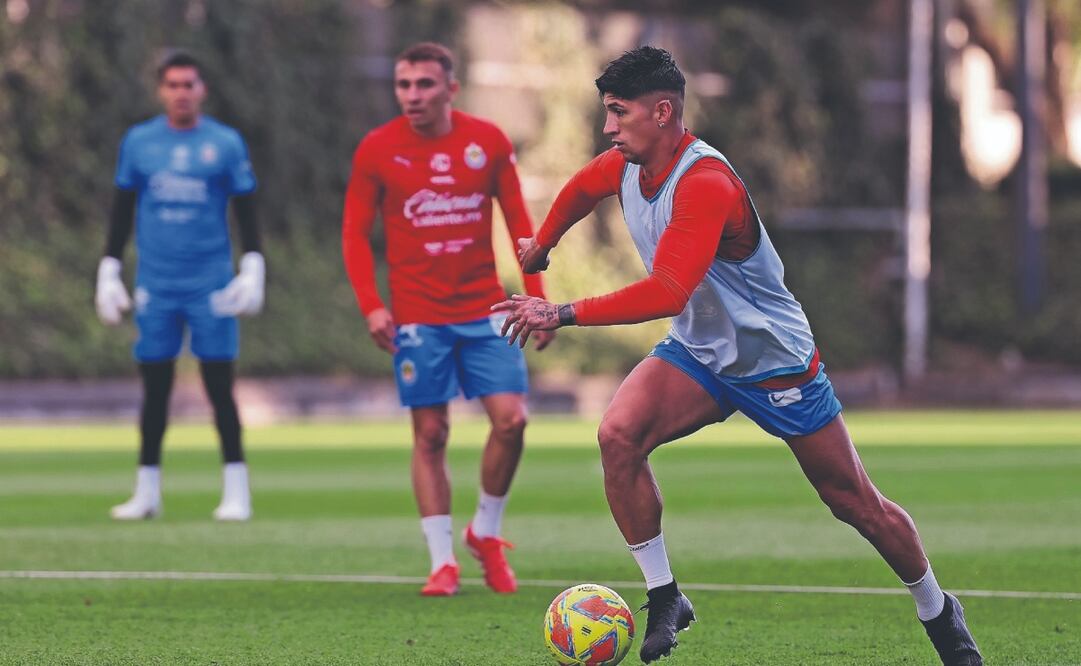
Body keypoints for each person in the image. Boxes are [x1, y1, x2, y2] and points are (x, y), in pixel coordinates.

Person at [493, 46, 982, 665]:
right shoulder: (625, 163)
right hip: (700, 355)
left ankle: (939, 610)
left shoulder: (705, 185)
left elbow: (667, 291)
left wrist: (560, 311)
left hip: (772, 361)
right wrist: (542, 243)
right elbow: (581, 189)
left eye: (618, 113)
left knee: (853, 502)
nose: (608, 127)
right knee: (618, 436)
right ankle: (666, 593)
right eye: (606, 113)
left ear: (663, 112)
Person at [341, 42, 553, 597]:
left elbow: (521, 224)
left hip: (486, 310)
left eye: (425, 85)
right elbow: (355, 235)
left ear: (450, 89)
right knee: (430, 433)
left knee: (513, 421)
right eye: (404, 85)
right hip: (417, 316)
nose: (413, 96)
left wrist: (538, 298)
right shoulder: (377, 150)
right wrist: (371, 304)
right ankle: (442, 563)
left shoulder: (487, 141)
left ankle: (485, 531)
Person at [96, 50, 265, 522]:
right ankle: (147, 490)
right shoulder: (140, 142)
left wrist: (253, 263)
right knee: (154, 386)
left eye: (189, 84)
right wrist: (109, 266)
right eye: (172, 85)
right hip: (157, 281)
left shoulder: (225, 143)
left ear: (202, 89)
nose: (181, 93)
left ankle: (237, 489)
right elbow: (123, 206)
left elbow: (246, 206)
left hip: (209, 282)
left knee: (219, 385)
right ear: (161, 91)